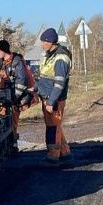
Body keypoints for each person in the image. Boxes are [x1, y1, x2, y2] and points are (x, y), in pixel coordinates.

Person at [35, 28, 72, 165]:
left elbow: (58, 84)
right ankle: (65, 151)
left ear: (50, 42)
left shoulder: (60, 58)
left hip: (54, 98)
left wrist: (51, 102)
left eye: (43, 42)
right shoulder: (50, 55)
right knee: (55, 126)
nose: (42, 44)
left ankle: (53, 156)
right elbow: (45, 77)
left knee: (53, 128)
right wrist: (36, 88)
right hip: (48, 96)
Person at [0, 39, 36, 146]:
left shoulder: (17, 62)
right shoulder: (2, 62)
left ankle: (12, 145)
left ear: (4, 50)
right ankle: (7, 144)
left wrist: (13, 98)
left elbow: (21, 81)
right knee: (3, 121)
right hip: (4, 97)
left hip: (14, 98)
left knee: (12, 122)